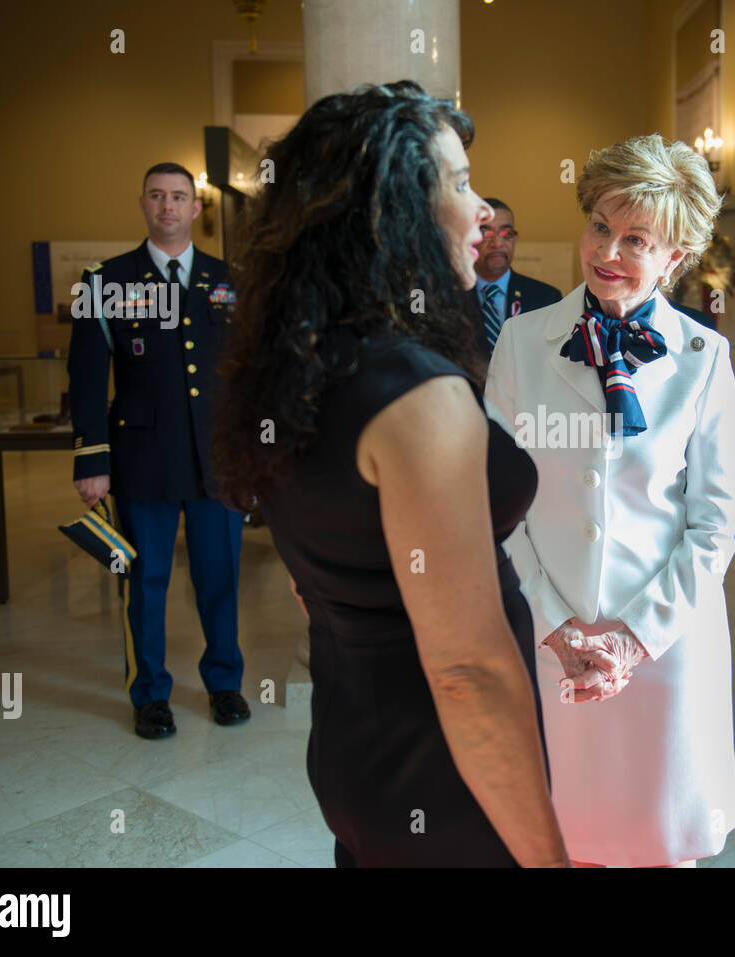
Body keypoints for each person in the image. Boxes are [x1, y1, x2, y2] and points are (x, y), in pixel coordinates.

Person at [212, 82, 569, 868]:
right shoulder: (414, 393)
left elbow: (322, 582)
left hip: (356, 748)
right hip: (443, 777)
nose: (484, 210)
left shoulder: (304, 371)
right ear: (396, 206)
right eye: (461, 181)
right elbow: (468, 671)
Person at [485, 134, 735, 867]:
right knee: (558, 843)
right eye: (601, 224)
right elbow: (498, 506)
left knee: (658, 843)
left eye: (637, 238)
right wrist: (557, 625)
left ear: (675, 258)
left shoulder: (702, 358)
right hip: (549, 639)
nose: (609, 250)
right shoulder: (521, 341)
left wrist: (634, 639)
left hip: (663, 648)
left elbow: (714, 519)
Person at [68, 161, 249, 740]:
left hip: (215, 461)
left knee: (219, 577)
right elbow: (90, 376)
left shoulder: (230, 281)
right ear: (142, 204)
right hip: (142, 459)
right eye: (157, 196)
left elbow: (248, 376)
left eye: (179, 197)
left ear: (197, 209)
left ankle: (224, 683)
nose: (168, 207)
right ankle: (149, 694)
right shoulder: (105, 281)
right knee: (143, 581)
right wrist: (92, 460)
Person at [473, 198, 561, 354]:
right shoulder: (447, 297)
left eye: (506, 233)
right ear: (472, 238)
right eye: (487, 233)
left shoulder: (547, 299)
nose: (497, 243)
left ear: (515, 238)